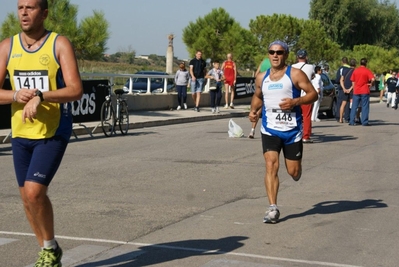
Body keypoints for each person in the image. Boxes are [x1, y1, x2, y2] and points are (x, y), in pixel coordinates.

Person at [0, 0, 83, 266]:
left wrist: (40, 95)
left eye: (31, 7)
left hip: (53, 130)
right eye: (20, 7)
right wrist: (14, 94)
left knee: (35, 192)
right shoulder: (7, 46)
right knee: (27, 198)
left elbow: (75, 90)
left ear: (44, 13)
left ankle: (48, 250)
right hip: (21, 132)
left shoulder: (59, 44)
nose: (24, 13)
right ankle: (49, 249)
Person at [249, 40, 318, 224]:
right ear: (268, 54)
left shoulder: (295, 74)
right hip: (270, 129)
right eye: (272, 52)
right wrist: (253, 111)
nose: (275, 55)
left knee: (293, 172)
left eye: (279, 52)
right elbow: (258, 96)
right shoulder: (261, 77)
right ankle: (273, 208)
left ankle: (297, 169)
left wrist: (295, 102)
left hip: (292, 131)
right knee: (271, 164)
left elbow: (313, 94)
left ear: (286, 55)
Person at [292, 49, 315, 143]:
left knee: (294, 115)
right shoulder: (311, 67)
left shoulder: (292, 66)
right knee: (306, 116)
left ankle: (295, 134)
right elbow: (313, 76)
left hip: (294, 94)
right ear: (306, 57)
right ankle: (306, 136)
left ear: (297, 57)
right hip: (306, 95)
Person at [249, 58, 271, 139]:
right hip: (269, 87)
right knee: (263, 109)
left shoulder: (263, 62)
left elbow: (256, 74)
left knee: (255, 109)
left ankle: (252, 129)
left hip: (260, 87)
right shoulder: (275, 63)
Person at [349, 58, 375, 126]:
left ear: (360, 63)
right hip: (364, 90)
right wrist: (371, 84)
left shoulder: (355, 71)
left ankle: (351, 121)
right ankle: (364, 122)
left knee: (354, 106)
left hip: (356, 91)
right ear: (366, 63)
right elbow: (372, 79)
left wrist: (354, 89)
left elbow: (353, 81)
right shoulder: (367, 71)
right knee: (365, 106)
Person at [339, 58, 356, 123]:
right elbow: (354, 82)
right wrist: (350, 89)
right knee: (352, 105)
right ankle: (352, 118)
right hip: (352, 90)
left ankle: (341, 118)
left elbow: (341, 80)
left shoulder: (344, 70)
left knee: (343, 104)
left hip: (345, 89)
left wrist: (344, 88)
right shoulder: (355, 71)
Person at [335, 57, 350, 122]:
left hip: (341, 87)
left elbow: (338, 78)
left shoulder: (341, 69)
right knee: (348, 103)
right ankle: (347, 117)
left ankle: (339, 116)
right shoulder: (350, 69)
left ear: (342, 62)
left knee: (340, 102)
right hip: (349, 87)